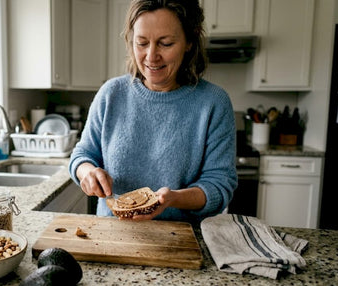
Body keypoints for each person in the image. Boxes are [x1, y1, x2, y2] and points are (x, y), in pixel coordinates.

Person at [68, 0, 237, 223]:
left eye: (165, 43)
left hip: (181, 239)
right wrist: (87, 172)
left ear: (189, 42)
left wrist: (174, 199)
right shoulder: (111, 94)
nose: (151, 56)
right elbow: (82, 155)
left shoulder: (214, 103)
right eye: (142, 43)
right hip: (111, 236)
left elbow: (219, 185)